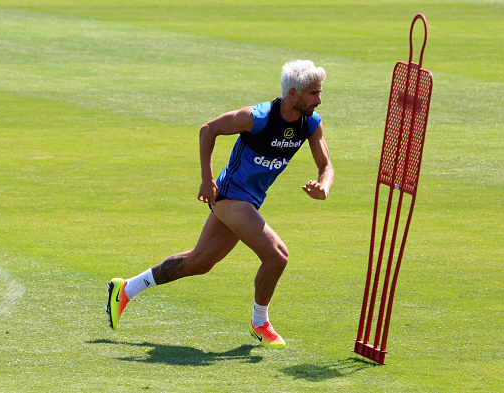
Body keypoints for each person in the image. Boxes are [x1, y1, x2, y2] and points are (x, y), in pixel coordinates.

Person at [106, 59, 334, 349]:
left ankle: (126, 288)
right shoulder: (256, 117)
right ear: (293, 94)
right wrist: (206, 179)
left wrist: (323, 187)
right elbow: (208, 129)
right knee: (278, 255)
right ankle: (259, 322)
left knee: (199, 263)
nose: (319, 100)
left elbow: (326, 165)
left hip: (249, 202)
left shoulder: (310, 124)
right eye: (314, 93)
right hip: (229, 196)